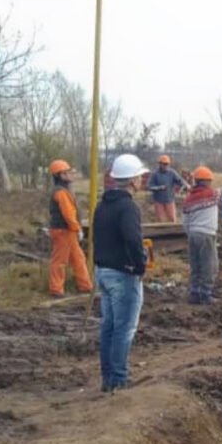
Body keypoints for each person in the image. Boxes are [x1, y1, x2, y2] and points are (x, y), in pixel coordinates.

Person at [92, 153, 150, 392]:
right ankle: (118, 379)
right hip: (122, 274)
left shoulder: (102, 205)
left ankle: (108, 378)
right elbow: (134, 240)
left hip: (103, 272)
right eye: (140, 176)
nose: (142, 180)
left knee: (109, 327)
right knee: (124, 329)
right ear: (133, 179)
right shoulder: (128, 207)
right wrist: (139, 266)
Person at [181, 166, 222, 304]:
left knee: (196, 265)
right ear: (207, 181)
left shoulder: (189, 199)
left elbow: (184, 221)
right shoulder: (211, 195)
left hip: (192, 234)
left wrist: (190, 233)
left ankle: (195, 293)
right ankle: (206, 294)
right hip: (206, 234)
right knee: (210, 265)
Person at [47, 159, 92, 297]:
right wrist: (77, 228)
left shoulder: (64, 190)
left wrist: (75, 228)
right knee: (60, 261)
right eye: (68, 172)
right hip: (63, 230)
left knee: (78, 258)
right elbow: (68, 213)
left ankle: (85, 286)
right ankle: (56, 289)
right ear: (60, 175)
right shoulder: (61, 192)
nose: (71, 174)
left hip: (67, 230)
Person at [147, 155, 190, 222]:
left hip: (170, 200)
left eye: (167, 164)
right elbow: (149, 186)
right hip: (158, 201)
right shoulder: (155, 174)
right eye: (163, 164)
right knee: (160, 221)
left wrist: (186, 185)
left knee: (172, 219)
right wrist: (159, 188)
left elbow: (179, 180)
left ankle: (173, 232)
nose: (165, 166)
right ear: (160, 164)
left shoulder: (172, 173)